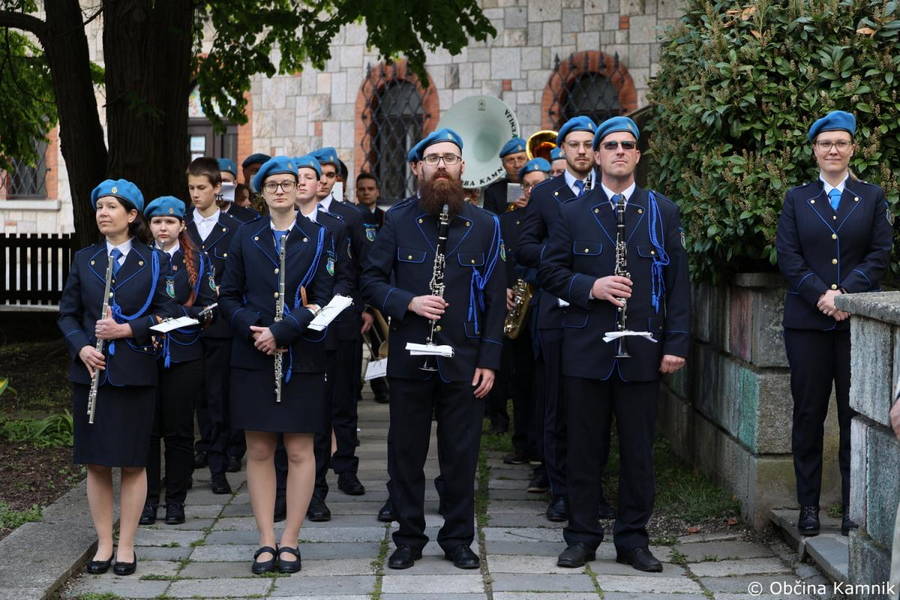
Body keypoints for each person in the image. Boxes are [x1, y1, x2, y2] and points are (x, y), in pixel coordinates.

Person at [539, 116, 690, 572]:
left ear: (638, 155)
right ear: (598, 156)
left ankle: (633, 540)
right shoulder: (572, 212)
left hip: (643, 349)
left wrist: (676, 343)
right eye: (610, 145)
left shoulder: (662, 211)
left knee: (639, 451)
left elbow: (679, 284)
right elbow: (550, 273)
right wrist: (591, 286)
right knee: (583, 449)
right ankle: (582, 537)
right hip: (586, 349)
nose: (619, 151)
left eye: (628, 145)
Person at [361, 128, 506, 570]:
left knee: (461, 454)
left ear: (463, 167)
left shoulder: (486, 225)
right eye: (433, 158)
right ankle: (408, 539)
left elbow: (495, 298)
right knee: (405, 454)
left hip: (464, 358)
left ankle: (458, 538)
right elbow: (370, 280)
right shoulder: (398, 220)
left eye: (450, 157)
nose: (442, 164)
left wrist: (489, 360)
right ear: (418, 167)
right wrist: (408, 302)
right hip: (409, 357)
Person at [776, 110, 892, 537]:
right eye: (825, 143)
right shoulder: (797, 198)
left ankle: (851, 509)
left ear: (852, 149)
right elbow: (788, 256)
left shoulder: (872, 197)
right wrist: (821, 296)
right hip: (807, 324)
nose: (833, 150)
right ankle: (808, 506)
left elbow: (879, 254)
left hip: (855, 323)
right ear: (815, 151)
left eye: (841, 143)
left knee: (852, 415)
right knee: (808, 414)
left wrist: (844, 296)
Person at [219, 156, 334, 574]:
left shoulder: (319, 236)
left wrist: (284, 330)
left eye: (288, 183)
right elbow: (228, 295)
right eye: (273, 185)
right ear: (261, 192)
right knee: (260, 448)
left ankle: (291, 540)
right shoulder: (244, 236)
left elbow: (327, 297)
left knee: (300, 449)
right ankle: (266, 539)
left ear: (300, 188)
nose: (281, 190)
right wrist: (256, 328)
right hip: (253, 353)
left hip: (301, 355)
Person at [58, 179, 178, 576]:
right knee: (95, 462)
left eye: (112, 207)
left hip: (134, 373)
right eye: (99, 207)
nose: (103, 213)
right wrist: (81, 347)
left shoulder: (154, 260)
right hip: (90, 373)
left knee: (132, 462)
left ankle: (126, 544)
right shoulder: (84, 259)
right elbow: (68, 314)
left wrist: (127, 330)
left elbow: (168, 313)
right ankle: (104, 543)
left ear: (131, 215)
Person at [518, 115, 601, 521]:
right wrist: (564, 256)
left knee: (596, 407)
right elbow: (524, 246)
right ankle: (561, 490)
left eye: (588, 144)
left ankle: (593, 490)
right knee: (557, 404)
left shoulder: (608, 189)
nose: (582, 151)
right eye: (575, 145)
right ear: (562, 150)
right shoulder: (546, 194)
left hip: (599, 311)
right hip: (556, 311)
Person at [140, 196, 216, 526]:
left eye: (170, 222)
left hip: (185, 353)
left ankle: (175, 500)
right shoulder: (140, 258)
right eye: (157, 222)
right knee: (147, 431)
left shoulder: (199, 260)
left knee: (180, 431)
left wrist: (180, 314)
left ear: (182, 225)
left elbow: (210, 306)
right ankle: (146, 500)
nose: (163, 228)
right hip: (146, 353)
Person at [305, 147, 369, 519]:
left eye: (329, 175)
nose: (323, 181)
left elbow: (359, 268)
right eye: (318, 174)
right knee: (312, 407)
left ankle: (346, 466)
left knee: (343, 401)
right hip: (305, 327)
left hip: (342, 321)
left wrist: (362, 309)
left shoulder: (349, 217)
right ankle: (307, 484)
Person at [185, 157, 244, 493]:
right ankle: (202, 448)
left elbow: (240, 273)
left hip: (221, 325)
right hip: (189, 325)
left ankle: (220, 463)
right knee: (196, 397)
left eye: (201, 188)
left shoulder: (234, 228)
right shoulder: (181, 225)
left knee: (218, 396)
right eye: (191, 188)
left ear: (217, 189)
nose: (196, 194)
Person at [498, 158, 551, 465]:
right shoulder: (508, 220)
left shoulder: (554, 217)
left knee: (543, 381)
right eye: (527, 185)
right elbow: (500, 259)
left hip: (544, 302)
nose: (531, 191)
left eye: (538, 185)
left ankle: (541, 445)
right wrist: (504, 287)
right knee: (520, 378)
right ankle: (522, 444)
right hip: (519, 304)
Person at [355, 172, 389, 404]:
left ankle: (380, 387)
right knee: (357, 343)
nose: (366, 192)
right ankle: (355, 385)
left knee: (380, 342)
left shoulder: (386, 218)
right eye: (362, 189)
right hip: (359, 286)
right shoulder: (353, 216)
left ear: (378, 191)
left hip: (381, 286)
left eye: (370, 188)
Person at [482, 137, 528, 214]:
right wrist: (510, 212)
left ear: (529, 160)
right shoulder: (493, 192)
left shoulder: (540, 187)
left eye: (520, 159)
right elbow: (489, 220)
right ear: (503, 165)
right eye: (511, 160)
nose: (517, 165)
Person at [217, 158, 259, 223]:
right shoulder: (199, 216)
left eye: (224, 181)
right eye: (214, 181)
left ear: (235, 184)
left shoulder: (251, 218)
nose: (219, 186)